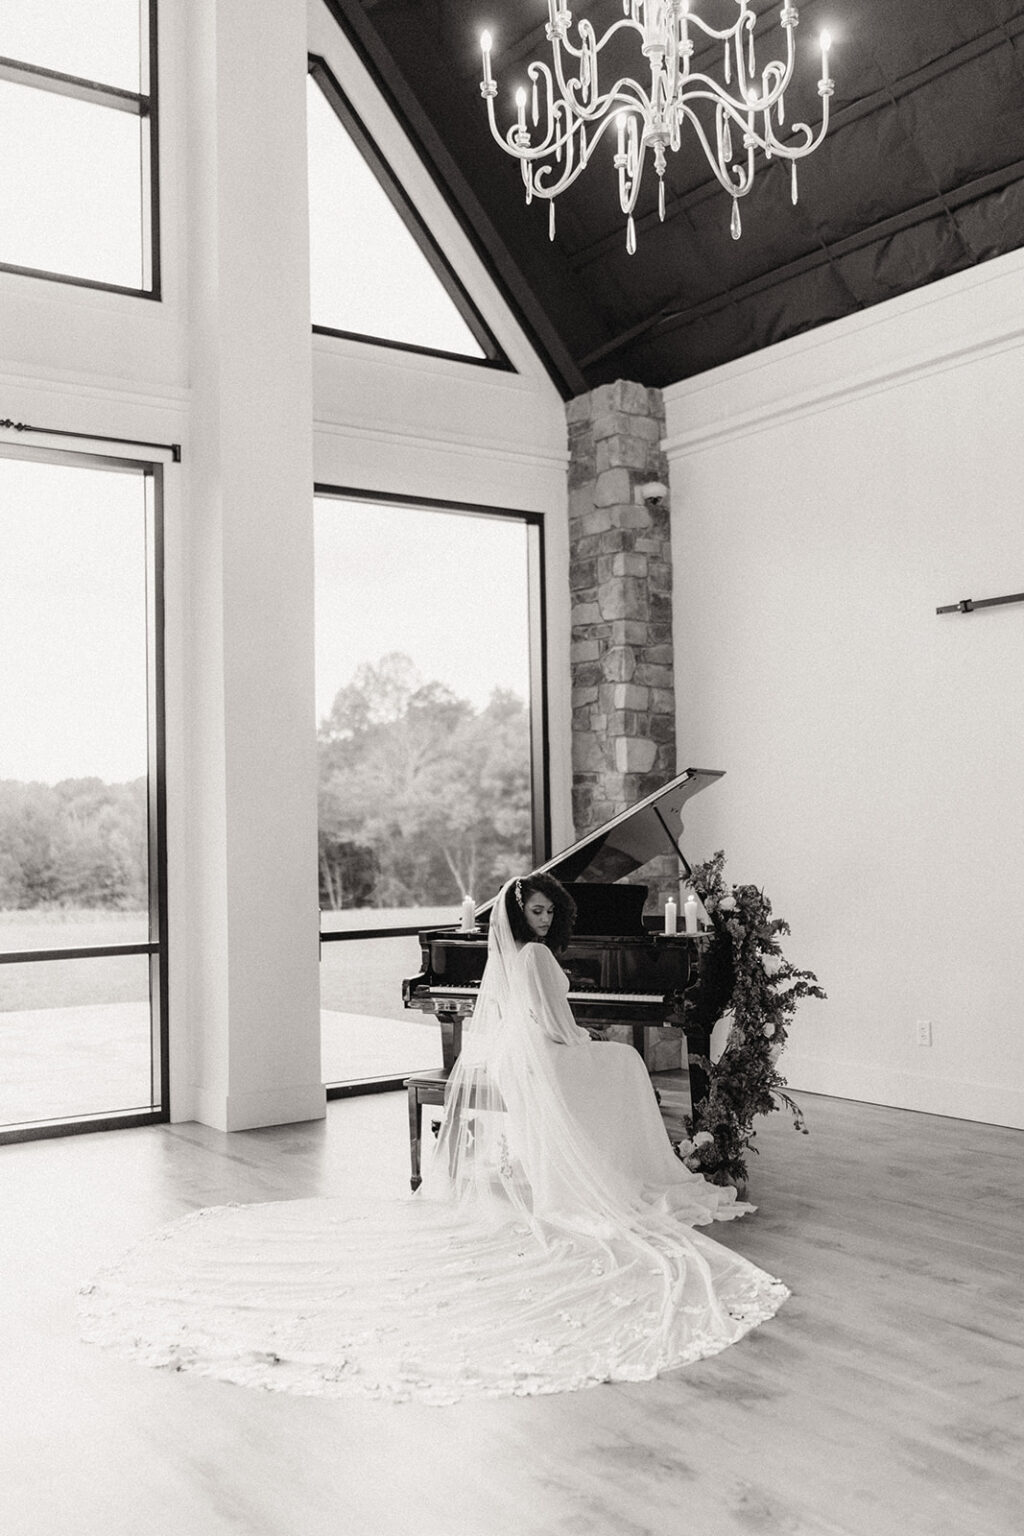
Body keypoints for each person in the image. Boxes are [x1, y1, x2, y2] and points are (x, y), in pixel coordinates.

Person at [78, 874, 787, 1404]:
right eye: (533, 908)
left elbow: (530, 1020)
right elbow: (560, 1026)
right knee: (629, 1063)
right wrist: (588, 1040)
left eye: (547, 908)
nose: (541, 915)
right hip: (545, 1054)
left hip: (517, 1053)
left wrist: (572, 1038)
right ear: (523, 915)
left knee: (618, 1062)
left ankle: (588, 1159)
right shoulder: (542, 958)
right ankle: (622, 1166)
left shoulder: (514, 956)